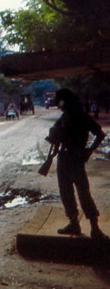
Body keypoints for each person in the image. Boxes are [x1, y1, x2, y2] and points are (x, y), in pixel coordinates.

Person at [47, 89, 108, 241]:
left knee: (82, 193)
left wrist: (88, 151)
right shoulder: (66, 116)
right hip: (66, 157)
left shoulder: (80, 116)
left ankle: (95, 228)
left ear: (64, 101)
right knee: (67, 192)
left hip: (74, 157)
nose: (59, 105)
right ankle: (75, 223)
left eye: (60, 101)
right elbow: (54, 135)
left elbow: (100, 134)